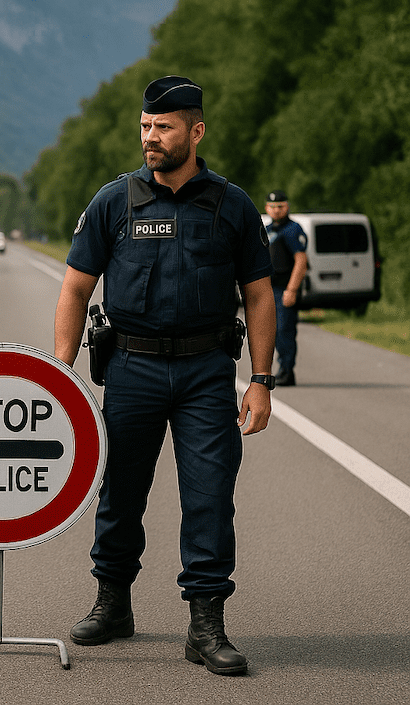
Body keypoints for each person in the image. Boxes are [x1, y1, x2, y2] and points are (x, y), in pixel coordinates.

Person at [53, 75, 277, 676]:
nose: (151, 137)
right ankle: (112, 603)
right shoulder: (114, 202)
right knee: (120, 491)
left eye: (164, 128)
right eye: (146, 127)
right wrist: (60, 374)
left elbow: (259, 295)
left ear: (196, 132)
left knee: (210, 496)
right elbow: (75, 289)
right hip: (131, 369)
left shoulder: (232, 205)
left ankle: (206, 624)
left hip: (207, 372)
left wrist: (261, 379)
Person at [264, 190, 308, 386]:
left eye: (280, 206)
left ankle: (287, 371)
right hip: (268, 289)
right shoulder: (266, 230)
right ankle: (277, 369)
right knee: (271, 332)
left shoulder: (292, 229)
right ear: (267, 208)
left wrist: (292, 290)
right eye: (272, 207)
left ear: (287, 207)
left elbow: (301, 261)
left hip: (284, 289)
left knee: (284, 331)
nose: (276, 210)